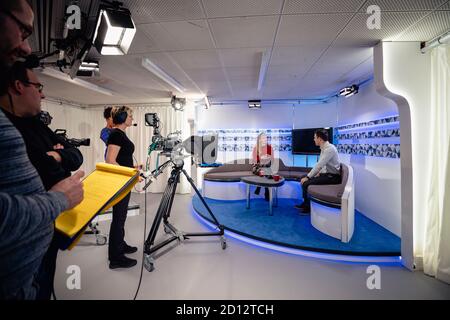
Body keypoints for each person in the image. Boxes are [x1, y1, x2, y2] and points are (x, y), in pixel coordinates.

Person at [0, 0, 84, 300]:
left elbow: (75, 156)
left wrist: (60, 155)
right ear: (18, 87)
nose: (26, 47)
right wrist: (58, 198)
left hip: (35, 262)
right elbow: (47, 168)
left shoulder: (37, 124)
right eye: (23, 31)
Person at [105, 106, 138, 269]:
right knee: (118, 218)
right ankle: (115, 258)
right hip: (120, 182)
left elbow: (122, 159)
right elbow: (110, 160)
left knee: (121, 217)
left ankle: (120, 245)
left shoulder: (119, 135)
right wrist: (127, 174)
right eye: (130, 116)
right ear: (124, 117)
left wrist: (133, 168)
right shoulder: (116, 135)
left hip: (124, 179)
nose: (132, 118)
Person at [296, 129, 341, 215]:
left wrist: (308, 177)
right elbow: (323, 165)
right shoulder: (323, 148)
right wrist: (317, 174)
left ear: (320, 139)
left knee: (306, 182)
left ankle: (307, 208)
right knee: (302, 178)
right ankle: (305, 203)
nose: (313, 139)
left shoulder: (330, 149)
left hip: (333, 177)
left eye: (315, 138)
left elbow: (319, 165)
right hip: (327, 174)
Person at [251, 133, 273, 201]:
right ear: (259, 139)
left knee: (266, 169)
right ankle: (267, 193)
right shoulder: (256, 148)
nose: (265, 139)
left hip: (266, 166)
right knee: (266, 172)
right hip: (257, 166)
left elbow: (272, 159)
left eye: (265, 138)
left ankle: (259, 187)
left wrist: (267, 158)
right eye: (263, 138)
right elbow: (254, 161)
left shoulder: (269, 147)